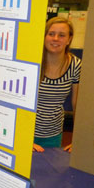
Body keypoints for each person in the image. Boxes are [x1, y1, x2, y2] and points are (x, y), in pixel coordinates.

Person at [33, 17, 81, 153]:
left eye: (61, 35)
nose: (55, 39)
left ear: (69, 39)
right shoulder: (32, 62)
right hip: (25, 133)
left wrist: (78, 139)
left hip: (53, 135)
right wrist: (20, 138)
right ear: (45, 36)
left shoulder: (75, 65)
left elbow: (77, 103)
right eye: (51, 34)